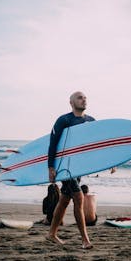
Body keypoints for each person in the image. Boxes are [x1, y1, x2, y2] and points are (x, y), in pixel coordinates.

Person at [47, 91, 95, 249]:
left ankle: (51, 234)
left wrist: (110, 162)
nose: (84, 100)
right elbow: (53, 143)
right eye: (80, 98)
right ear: (71, 102)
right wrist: (51, 167)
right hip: (64, 167)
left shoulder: (91, 121)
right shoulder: (64, 120)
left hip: (78, 167)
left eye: (85, 98)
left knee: (64, 200)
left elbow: (99, 144)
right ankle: (85, 240)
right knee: (79, 197)